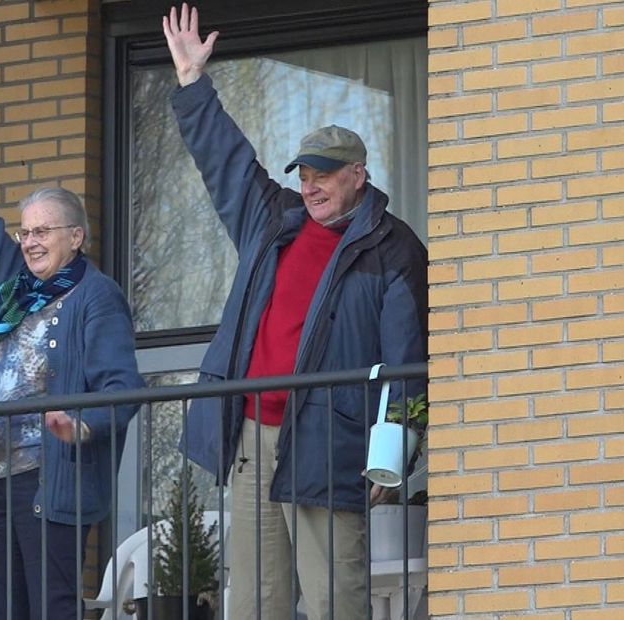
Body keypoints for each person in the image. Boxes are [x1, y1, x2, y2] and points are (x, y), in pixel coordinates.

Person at [162, 5, 429, 620]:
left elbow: (407, 362)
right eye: (305, 174)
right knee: (256, 601)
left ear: (358, 176)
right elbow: (226, 163)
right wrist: (191, 83)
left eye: (325, 176)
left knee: (337, 596)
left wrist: (395, 453)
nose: (311, 187)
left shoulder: (393, 249)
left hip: (330, 439)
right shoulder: (274, 220)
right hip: (252, 433)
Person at [0, 62, 144, 620]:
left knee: (50, 607)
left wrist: (82, 425)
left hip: (53, 478)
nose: (29, 241)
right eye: (25, 231)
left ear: (76, 237)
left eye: (43, 231)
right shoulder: (11, 282)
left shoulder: (97, 297)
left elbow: (125, 387)